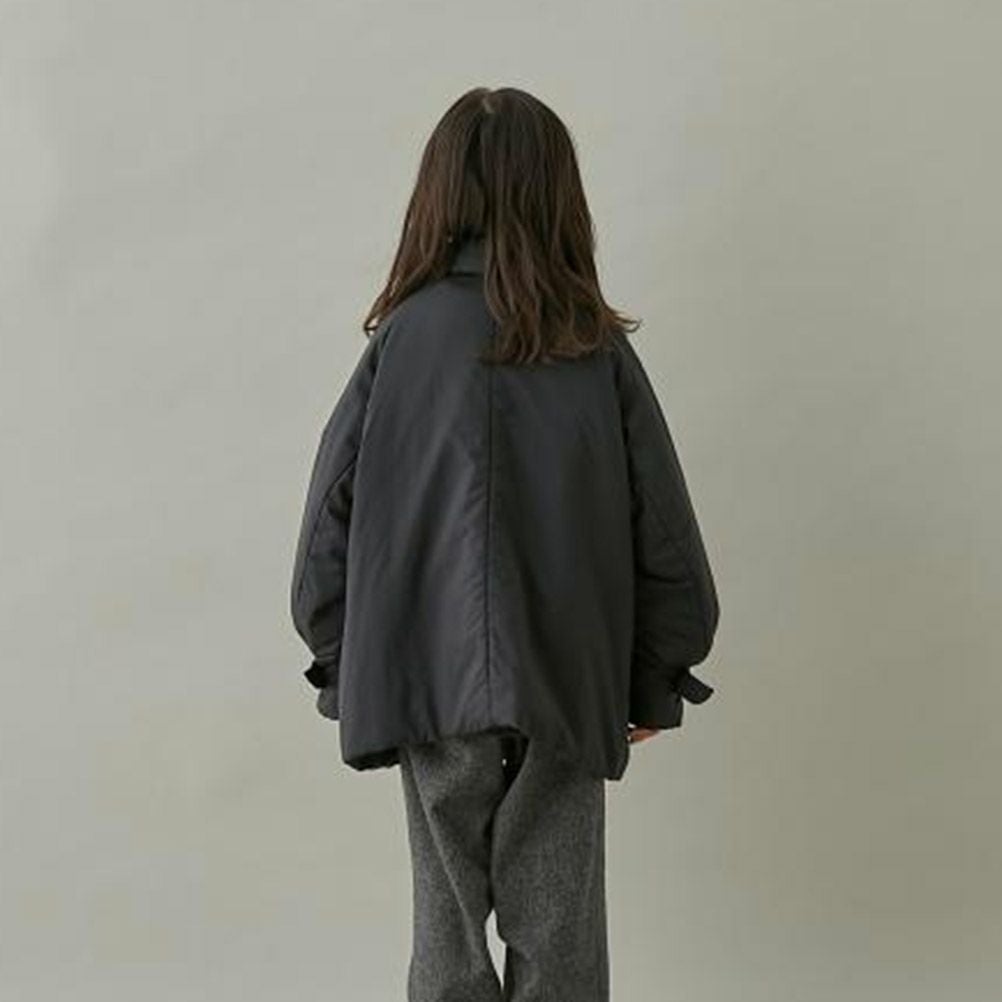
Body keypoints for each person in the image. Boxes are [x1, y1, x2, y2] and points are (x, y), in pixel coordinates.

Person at [289, 86, 720, 1002]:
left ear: (437, 196)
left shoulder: (401, 342)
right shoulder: (593, 347)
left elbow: (329, 520)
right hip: (564, 674)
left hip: (425, 677)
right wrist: (656, 673)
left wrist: (344, 660)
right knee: (562, 936)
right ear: (558, 196)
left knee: (444, 937)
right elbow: (665, 532)